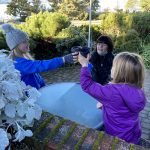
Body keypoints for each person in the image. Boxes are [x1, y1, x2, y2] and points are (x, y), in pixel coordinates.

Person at [78, 51, 146, 144]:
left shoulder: (111, 92)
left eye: (113, 66)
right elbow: (121, 107)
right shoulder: (139, 90)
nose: (111, 68)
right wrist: (105, 105)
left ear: (120, 72)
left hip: (117, 136)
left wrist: (84, 65)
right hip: (133, 134)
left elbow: (87, 85)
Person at [2, 23, 78, 89]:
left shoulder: (23, 59)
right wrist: (63, 59)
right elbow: (41, 65)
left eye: (27, 40)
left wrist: (45, 88)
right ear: (15, 46)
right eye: (24, 42)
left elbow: (37, 77)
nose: (28, 44)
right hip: (31, 102)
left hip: (38, 95)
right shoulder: (18, 63)